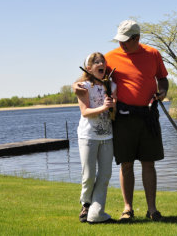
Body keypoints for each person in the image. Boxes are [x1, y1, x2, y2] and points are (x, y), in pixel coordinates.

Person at [73, 20, 169, 222]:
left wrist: (163, 91)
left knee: (148, 163)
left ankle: (152, 209)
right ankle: (127, 209)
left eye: (125, 41)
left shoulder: (153, 54)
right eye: (119, 40)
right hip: (123, 117)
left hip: (148, 115)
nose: (121, 45)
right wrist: (75, 85)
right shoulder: (110, 57)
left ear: (137, 38)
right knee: (126, 164)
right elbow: (90, 75)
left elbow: (162, 78)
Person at [76, 52, 117, 224]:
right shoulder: (83, 86)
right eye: (96, 62)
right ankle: (86, 204)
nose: (102, 63)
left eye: (103, 61)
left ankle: (96, 211)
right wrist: (103, 107)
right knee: (89, 175)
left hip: (107, 136)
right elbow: (85, 112)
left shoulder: (111, 85)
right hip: (88, 137)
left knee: (105, 175)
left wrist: (112, 107)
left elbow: (113, 116)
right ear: (89, 68)